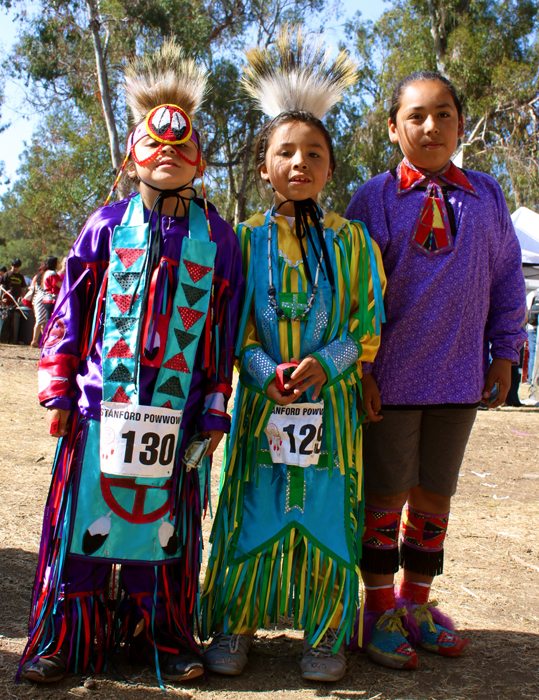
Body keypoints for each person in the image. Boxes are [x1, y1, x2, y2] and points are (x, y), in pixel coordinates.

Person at [19, 40, 244, 685]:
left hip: (175, 417)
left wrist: (215, 402)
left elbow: (224, 333)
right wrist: (59, 389)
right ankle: (69, 638)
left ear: (199, 158)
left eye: (183, 145)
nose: (168, 153)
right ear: (132, 155)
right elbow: (68, 309)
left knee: (164, 534)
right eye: (155, 142)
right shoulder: (106, 225)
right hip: (98, 410)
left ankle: (164, 636)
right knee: (83, 530)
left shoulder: (218, 238)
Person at [201, 31, 385, 683]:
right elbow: (227, 325)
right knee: (253, 505)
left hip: (329, 409)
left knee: (328, 511)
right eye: (286, 152)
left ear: (331, 168)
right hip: (261, 406)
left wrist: (327, 364)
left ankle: (327, 633)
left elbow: (367, 323)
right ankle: (232, 622)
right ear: (263, 166)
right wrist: (260, 369)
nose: (299, 162)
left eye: (313, 153)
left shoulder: (352, 241)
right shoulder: (243, 239)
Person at [345, 71, 526, 669]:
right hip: (388, 381)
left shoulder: (487, 196)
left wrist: (504, 353)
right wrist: (360, 370)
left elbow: (505, 281)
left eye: (444, 114)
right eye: (416, 116)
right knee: (385, 496)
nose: (431, 126)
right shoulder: (373, 198)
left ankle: (416, 603)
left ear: (459, 124)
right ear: (393, 127)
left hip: (458, 379)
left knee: (433, 498)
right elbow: (353, 291)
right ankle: (376, 610)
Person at [1, 258, 27, 344]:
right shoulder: (6, 275)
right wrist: (2, 299)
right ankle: (3, 339)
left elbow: (22, 288)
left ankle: (12, 339)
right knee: (6, 320)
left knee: (14, 321)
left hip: (16, 302)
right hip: (7, 301)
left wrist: (24, 298)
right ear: (11, 266)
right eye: (14, 266)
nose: (15, 268)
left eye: (17, 267)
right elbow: (2, 288)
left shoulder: (20, 276)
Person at [29, 262, 48, 347]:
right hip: (42, 298)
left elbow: (31, 288)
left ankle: (43, 340)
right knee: (41, 321)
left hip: (35, 299)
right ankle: (34, 340)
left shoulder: (36, 277)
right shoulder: (45, 276)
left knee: (42, 321)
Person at [41, 256, 62, 321]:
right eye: (57, 262)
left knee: (48, 319)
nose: (58, 264)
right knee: (51, 320)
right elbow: (60, 285)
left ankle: (47, 330)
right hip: (51, 300)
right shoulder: (52, 273)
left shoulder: (46, 272)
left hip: (46, 299)